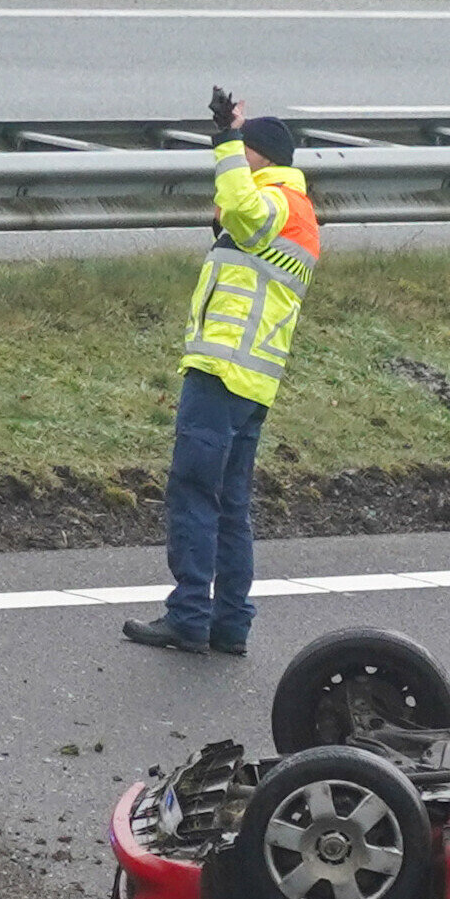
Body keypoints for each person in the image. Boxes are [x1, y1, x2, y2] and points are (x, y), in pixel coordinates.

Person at [124, 87, 319, 656]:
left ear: (260, 155)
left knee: (192, 492)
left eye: (244, 152)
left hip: (223, 371)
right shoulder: (294, 210)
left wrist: (226, 142)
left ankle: (189, 616)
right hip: (253, 379)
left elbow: (239, 209)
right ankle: (230, 623)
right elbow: (231, 221)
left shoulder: (277, 201)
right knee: (230, 503)